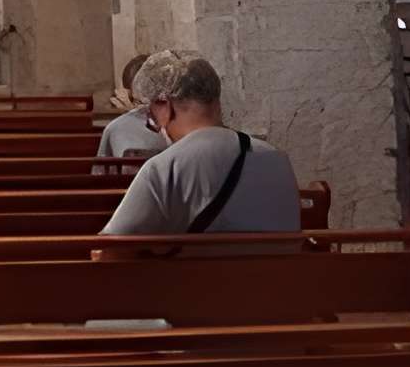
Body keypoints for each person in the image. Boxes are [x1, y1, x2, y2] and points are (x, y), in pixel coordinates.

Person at [99, 54, 301, 236]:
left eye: (151, 116)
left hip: (200, 277)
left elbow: (112, 249)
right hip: (280, 276)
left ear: (164, 106)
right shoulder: (277, 158)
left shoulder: (164, 169)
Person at [95, 49, 172, 163]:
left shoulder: (180, 121)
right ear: (130, 95)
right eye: (141, 102)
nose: (149, 108)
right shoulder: (116, 129)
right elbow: (103, 174)